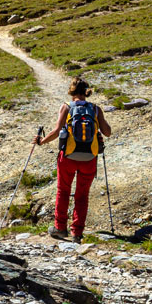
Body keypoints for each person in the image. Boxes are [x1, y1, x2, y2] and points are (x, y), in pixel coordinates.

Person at [34, 77, 111, 241]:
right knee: (82, 195)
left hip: (68, 157)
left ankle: (60, 228)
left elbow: (56, 132)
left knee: (63, 191)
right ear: (86, 92)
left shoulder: (67, 107)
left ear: (71, 91)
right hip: (90, 158)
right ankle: (77, 233)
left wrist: (41, 141)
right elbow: (108, 132)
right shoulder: (95, 109)